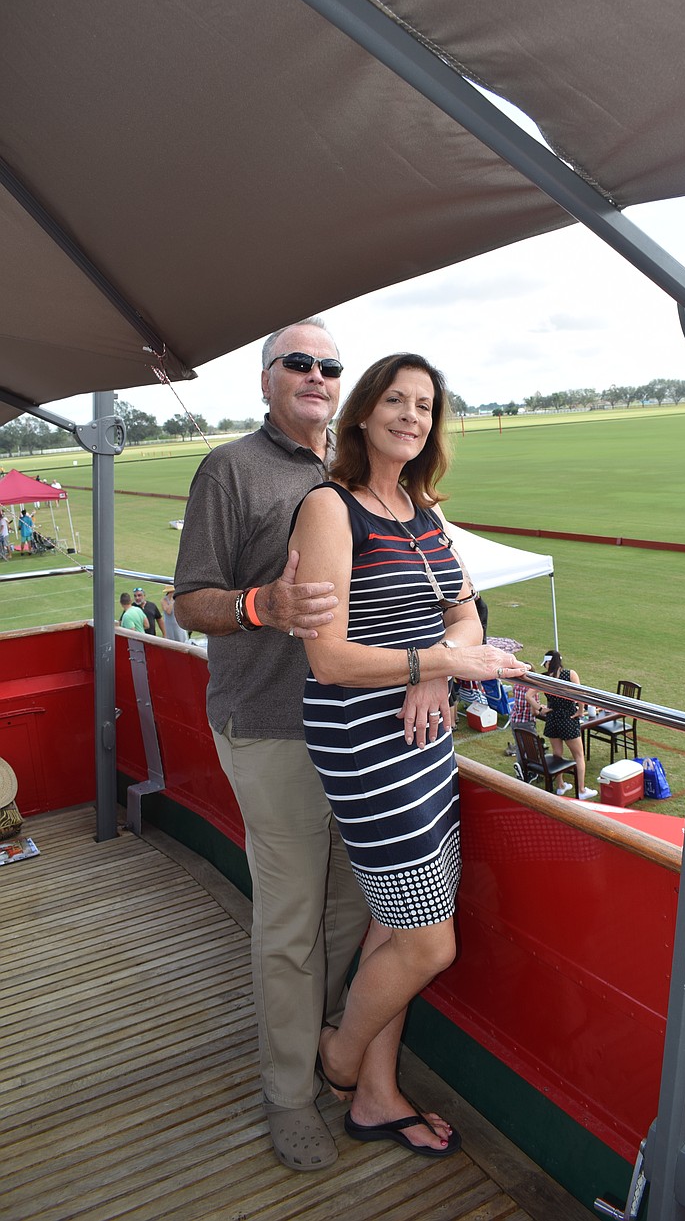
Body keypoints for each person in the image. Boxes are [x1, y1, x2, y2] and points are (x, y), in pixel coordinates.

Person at [289, 352, 529, 1157]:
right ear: (362, 413)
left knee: (394, 928)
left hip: (423, 740)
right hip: (364, 745)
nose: (411, 416)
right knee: (431, 941)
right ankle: (341, 1056)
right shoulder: (331, 508)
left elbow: (468, 616)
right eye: (396, 399)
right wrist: (435, 664)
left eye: (425, 406)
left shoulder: (422, 511)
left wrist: (439, 663)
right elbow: (327, 658)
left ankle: (376, 1099)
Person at [172, 317, 371, 1173]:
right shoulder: (230, 467)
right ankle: (288, 1091)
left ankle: (316, 1036)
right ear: (265, 380)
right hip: (272, 726)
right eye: (300, 363)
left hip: (361, 726)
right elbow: (189, 599)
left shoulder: (355, 471)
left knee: (356, 907)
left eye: (331, 366)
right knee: (291, 920)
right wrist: (263, 607)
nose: (319, 376)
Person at [540, 650, 597, 799]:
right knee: (578, 755)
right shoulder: (570, 674)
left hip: (552, 719)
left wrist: (540, 708)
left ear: (548, 662)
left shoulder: (544, 678)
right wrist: (580, 710)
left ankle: (560, 786)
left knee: (557, 754)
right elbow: (580, 693)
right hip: (568, 719)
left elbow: (528, 696)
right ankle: (582, 790)